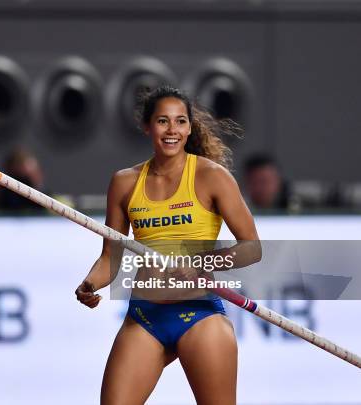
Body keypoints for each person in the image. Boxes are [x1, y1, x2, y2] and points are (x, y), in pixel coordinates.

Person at [75, 86, 260, 405]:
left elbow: (251, 248)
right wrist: (91, 283)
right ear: (147, 126)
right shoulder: (124, 182)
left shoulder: (212, 177)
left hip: (199, 315)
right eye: (163, 121)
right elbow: (110, 258)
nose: (172, 130)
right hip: (145, 317)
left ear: (189, 127)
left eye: (180, 121)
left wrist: (202, 265)